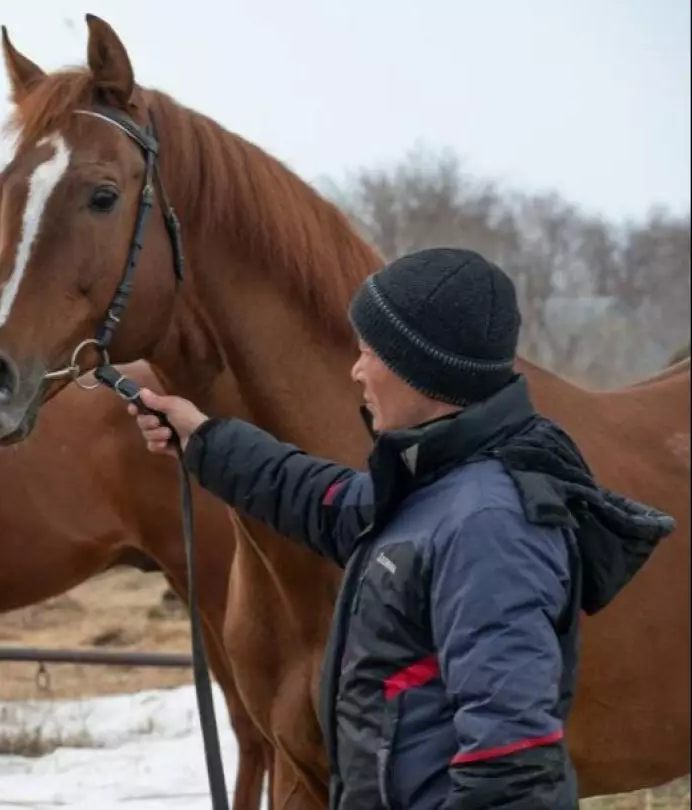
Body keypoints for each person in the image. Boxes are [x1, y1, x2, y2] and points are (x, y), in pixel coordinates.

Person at [129, 248, 675, 810]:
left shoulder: (490, 526)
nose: (356, 370)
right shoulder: (437, 487)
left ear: (425, 372)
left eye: (370, 353)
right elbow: (323, 501)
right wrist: (205, 441)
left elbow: (511, 766)